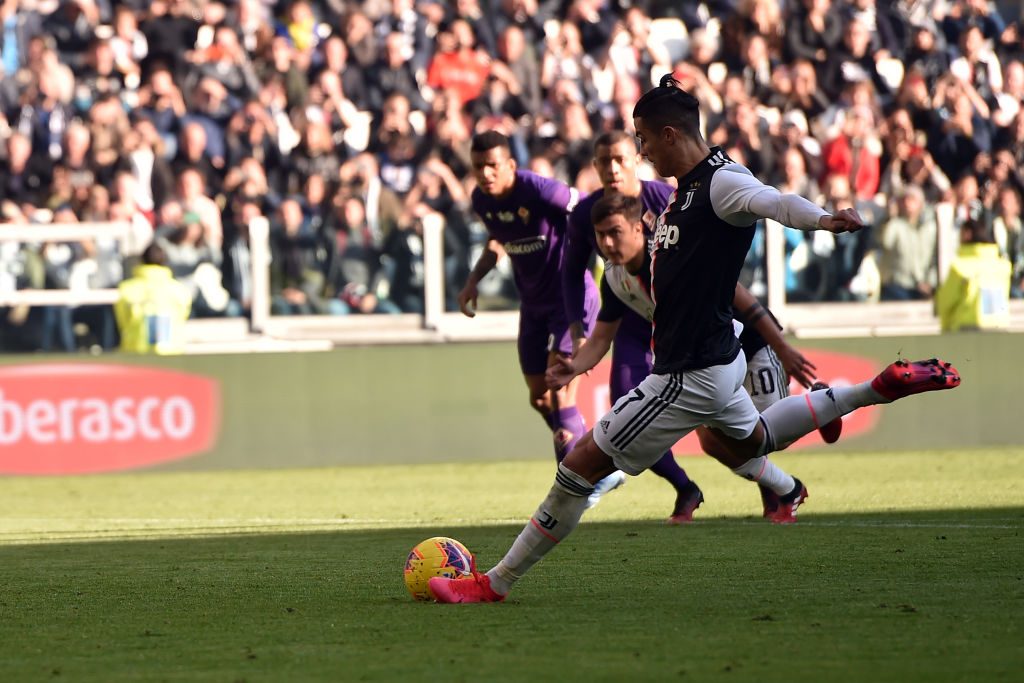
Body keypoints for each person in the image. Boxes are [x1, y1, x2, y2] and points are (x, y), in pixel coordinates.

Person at [430, 76, 961, 603]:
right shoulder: (682, 192)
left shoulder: (721, 182)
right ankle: (877, 388)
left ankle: (492, 584)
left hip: (688, 373)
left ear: (668, 135)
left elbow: (772, 201)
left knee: (580, 464)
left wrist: (822, 220)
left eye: (641, 139)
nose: (639, 152)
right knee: (755, 442)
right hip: (719, 360)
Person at [562, 132, 838, 524]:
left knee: (767, 431)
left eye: (614, 234)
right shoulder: (616, 277)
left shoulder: (673, 252)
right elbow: (602, 335)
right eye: (600, 237)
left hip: (746, 339)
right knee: (715, 441)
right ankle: (785, 491)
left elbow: (739, 296)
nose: (605, 245)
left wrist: (784, 349)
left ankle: (823, 404)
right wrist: (574, 364)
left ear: (642, 228)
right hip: (702, 354)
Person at [459, 130, 626, 503]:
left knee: (559, 393)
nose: (485, 174)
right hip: (532, 305)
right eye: (478, 167)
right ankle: (600, 466)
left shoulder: (537, 189)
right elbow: (497, 240)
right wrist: (473, 280)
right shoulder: (481, 200)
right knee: (539, 397)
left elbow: (585, 208)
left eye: (492, 166)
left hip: (570, 300)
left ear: (511, 166)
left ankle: (576, 491)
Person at [114, 242, 192, 355]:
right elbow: (183, 317)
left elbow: (122, 322)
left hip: (135, 353)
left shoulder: (127, 289)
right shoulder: (179, 290)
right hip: (173, 353)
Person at [935, 218, 1012, 332]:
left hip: (967, 327)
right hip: (1000, 326)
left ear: (967, 234)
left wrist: (945, 327)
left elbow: (945, 302)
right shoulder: (1003, 266)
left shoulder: (960, 267)